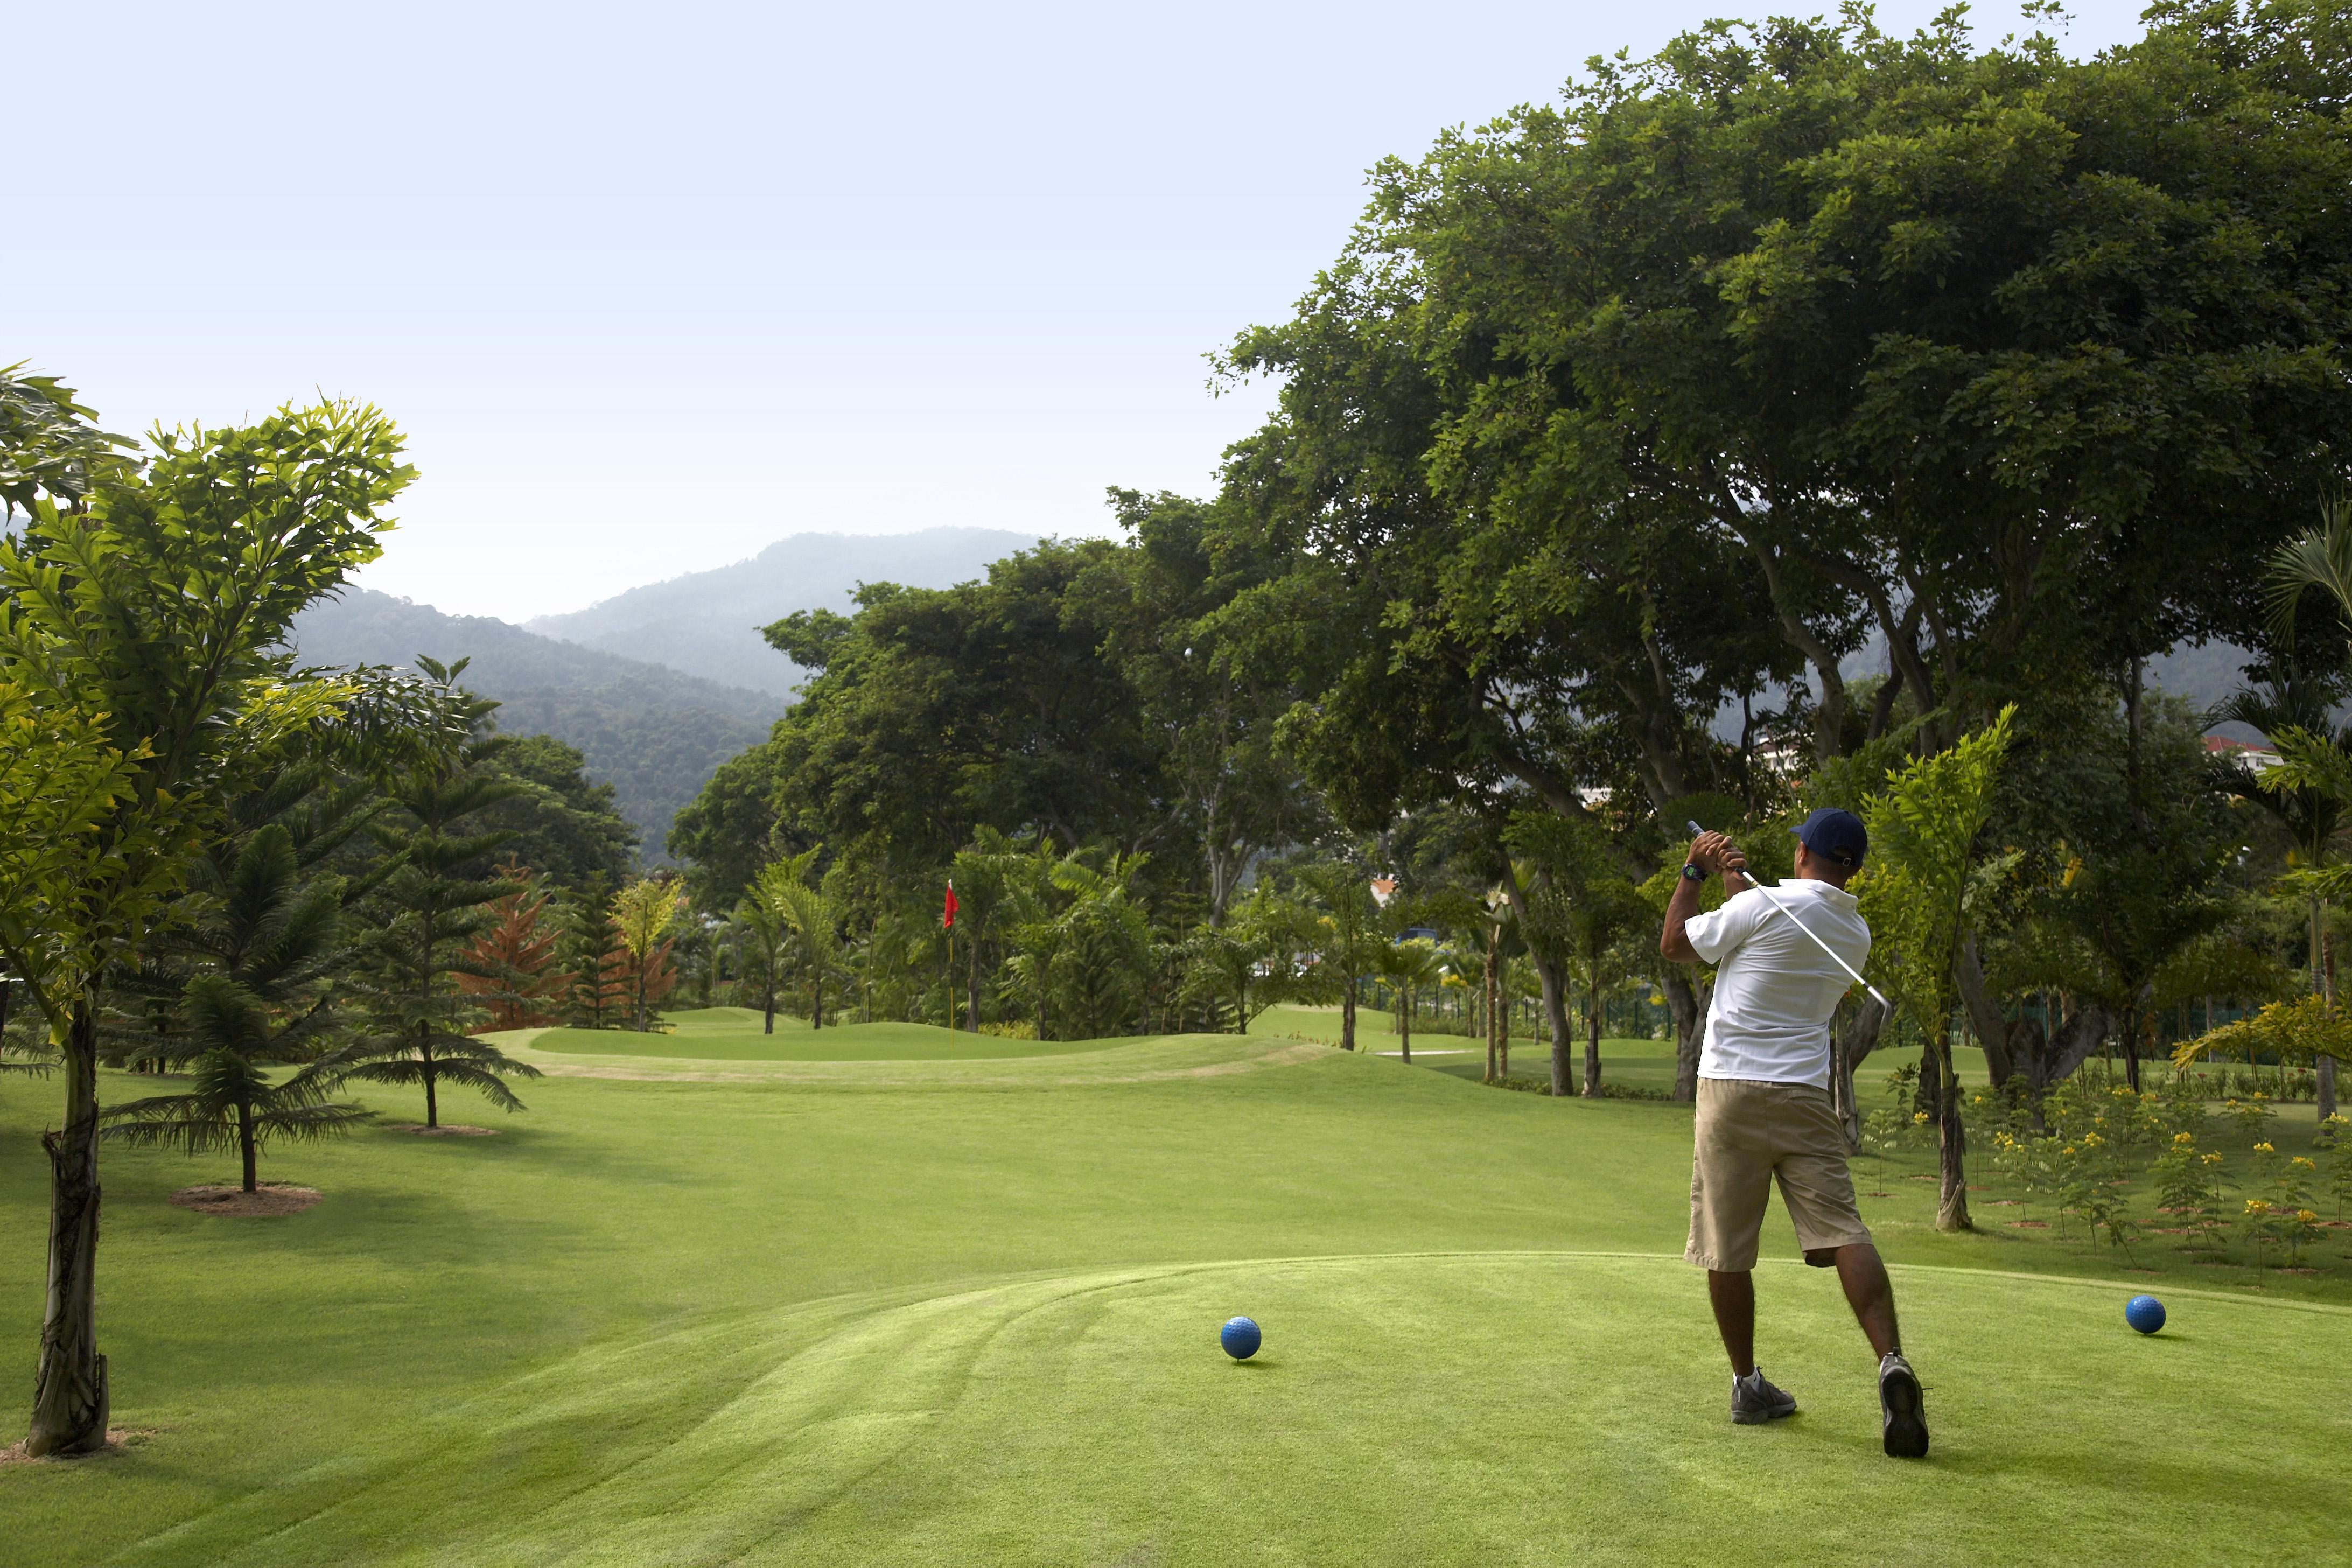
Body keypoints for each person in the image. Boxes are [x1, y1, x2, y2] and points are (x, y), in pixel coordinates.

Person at [1658, 808, 1928, 1458]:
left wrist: (1696, 868)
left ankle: (1747, 1384)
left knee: (1727, 1246)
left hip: (1730, 1091)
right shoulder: (1852, 931)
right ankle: (1891, 1359)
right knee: (1844, 1231)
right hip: (1806, 1096)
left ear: (1802, 850)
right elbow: (1760, 933)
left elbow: (1676, 944)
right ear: (1853, 867)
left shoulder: (1766, 906)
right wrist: (1738, 881)